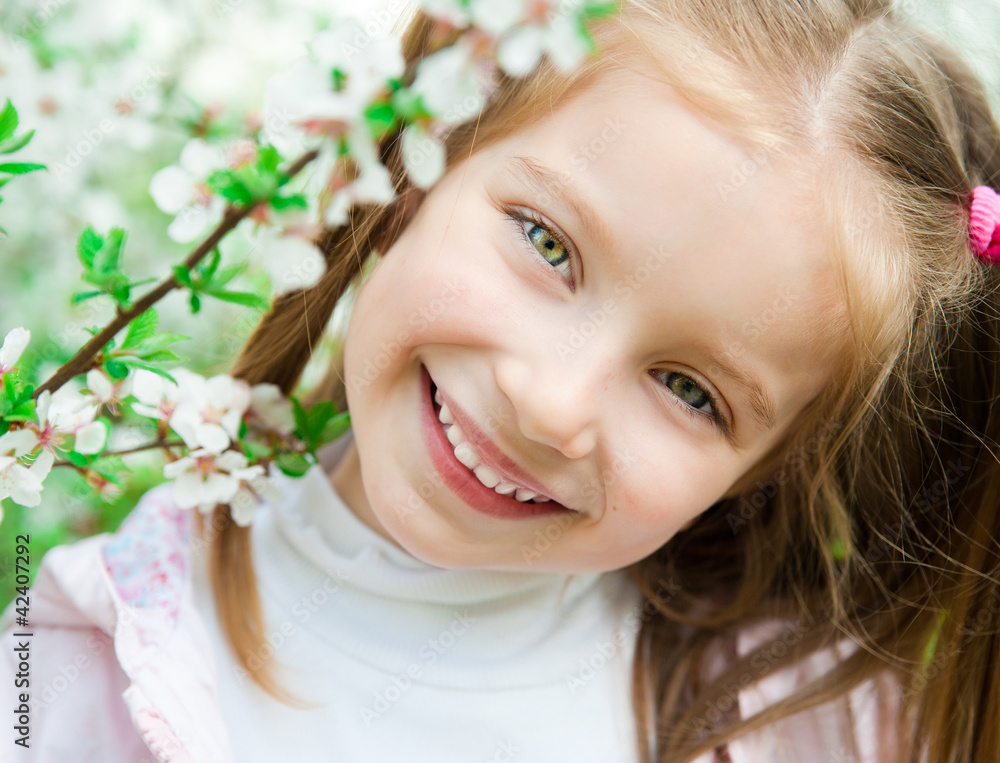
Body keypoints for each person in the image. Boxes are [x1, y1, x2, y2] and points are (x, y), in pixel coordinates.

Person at [4, 0, 1000, 760]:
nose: (552, 404)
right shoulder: (75, 666)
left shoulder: (815, 729)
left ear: (768, 469)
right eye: (546, 244)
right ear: (417, 165)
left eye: (689, 391)